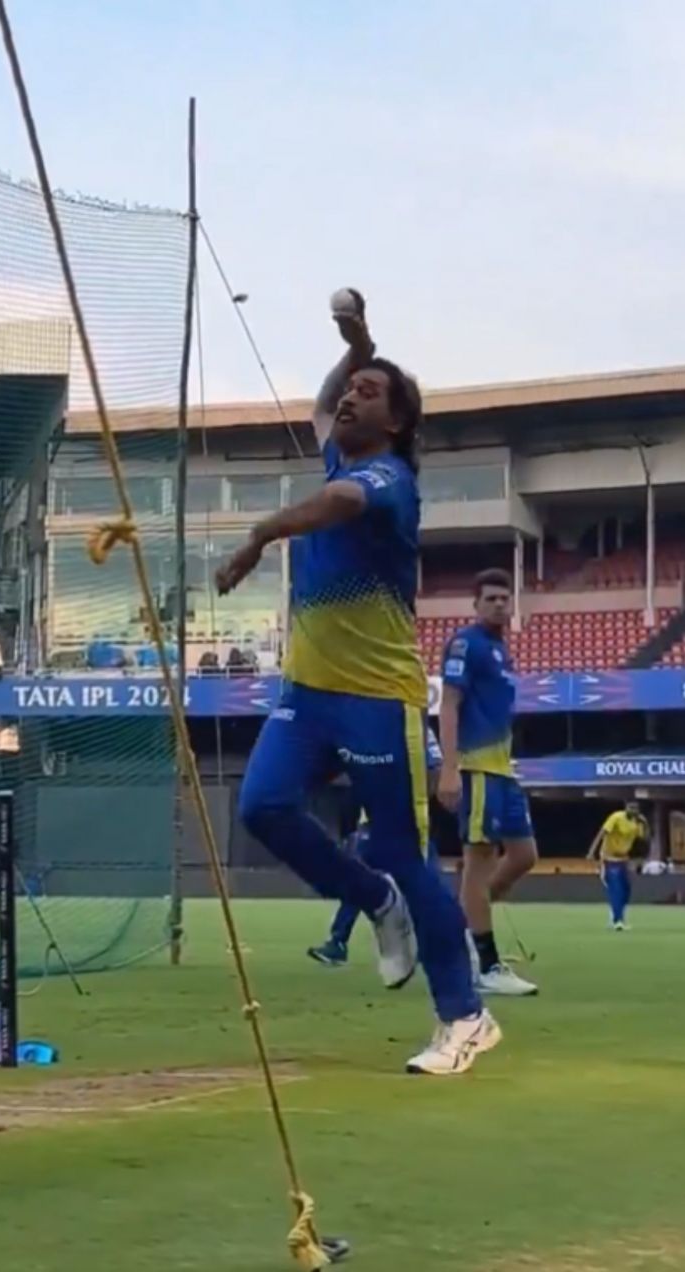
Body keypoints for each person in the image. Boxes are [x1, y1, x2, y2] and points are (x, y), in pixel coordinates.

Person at [220, 291, 497, 1076]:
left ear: (399, 424)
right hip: (307, 693)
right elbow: (320, 405)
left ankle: (466, 1017)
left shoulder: (386, 481)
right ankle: (374, 901)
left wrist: (261, 534)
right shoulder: (342, 447)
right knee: (263, 807)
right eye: (351, 387)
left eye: (369, 393)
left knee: (411, 857)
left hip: (378, 700)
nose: (348, 396)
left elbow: (336, 504)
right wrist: (362, 342)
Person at [437, 569, 540, 997]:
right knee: (478, 861)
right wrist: (448, 768)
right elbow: (448, 706)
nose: (500, 604)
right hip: (478, 768)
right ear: (476, 604)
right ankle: (487, 964)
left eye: (505, 598)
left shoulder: (500, 649)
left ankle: (464, 927)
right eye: (491, 598)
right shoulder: (466, 645)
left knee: (524, 855)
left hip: (504, 769)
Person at [308, 723, 460, 966]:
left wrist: (410, 800)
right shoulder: (369, 725)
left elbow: (435, 768)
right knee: (357, 877)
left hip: (407, 823)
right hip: (372, 822)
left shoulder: (416, 727)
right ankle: (337, 942)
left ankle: (449, 945)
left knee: (427, 884)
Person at [586, 801, 649, 930]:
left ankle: (616, 914)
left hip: (623, 859)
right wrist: (592, 851)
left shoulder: (636, 823)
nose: (633, 810)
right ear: (625, 808)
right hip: (609, 858)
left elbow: (644, 838)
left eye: (635, 808)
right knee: (616, 889)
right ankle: (617, 921)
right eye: (630, 807)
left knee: (626, 889)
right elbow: (602, 833)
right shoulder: (616, 817)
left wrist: (645, 824)